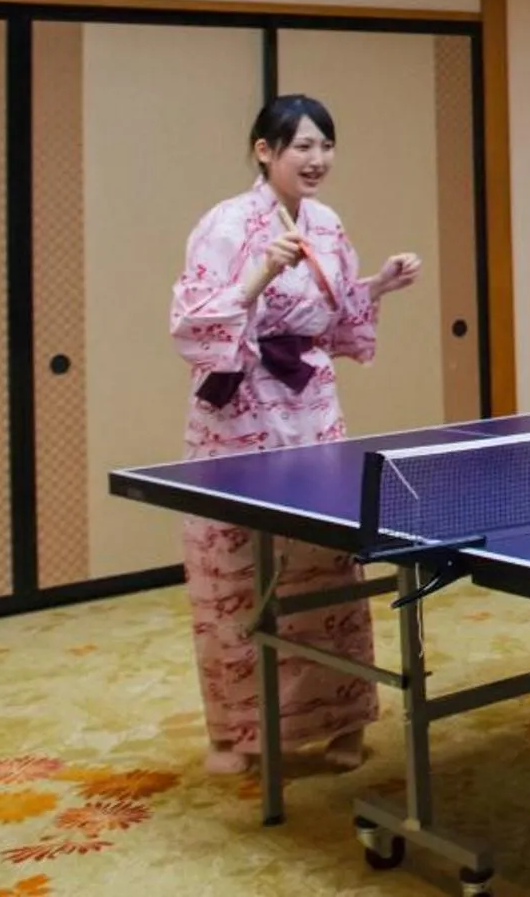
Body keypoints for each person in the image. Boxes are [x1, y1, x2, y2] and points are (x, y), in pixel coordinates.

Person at [170, 94, 422, 777]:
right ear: (265, 151)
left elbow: (331, 324)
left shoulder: (329, 224)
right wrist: (258, 274)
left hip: (311, 411)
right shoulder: (225, 225)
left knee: (325, 558)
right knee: (237, 567)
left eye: (325, 147)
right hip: (241, 413)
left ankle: (342, 719)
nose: (316, 160)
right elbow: (192, 327)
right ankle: (240, 734)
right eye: (302, 147)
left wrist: (377, 289)